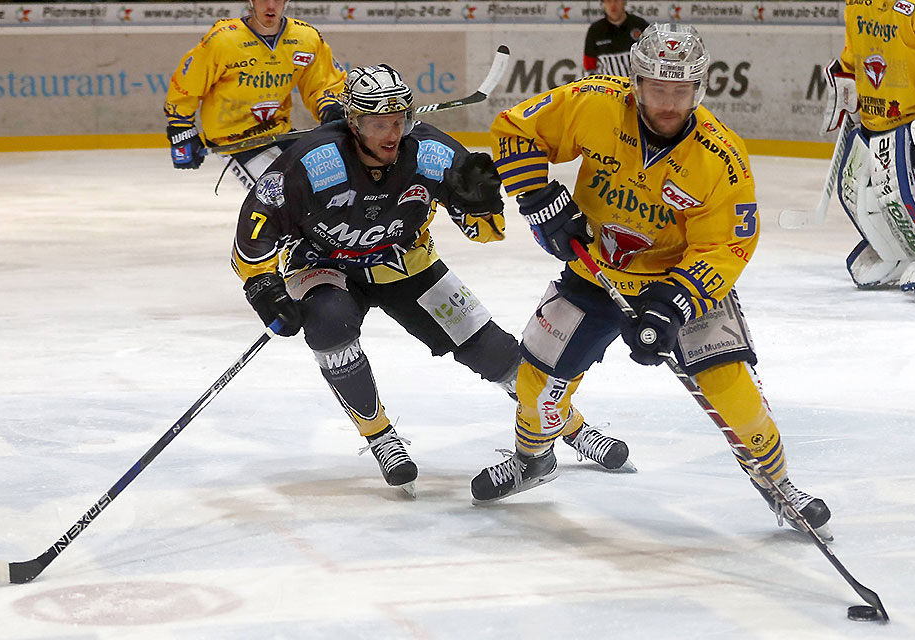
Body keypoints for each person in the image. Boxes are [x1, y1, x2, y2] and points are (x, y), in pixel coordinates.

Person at [472, 23, 832, 540]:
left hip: (677, 284)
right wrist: (538, 200)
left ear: (698, 89)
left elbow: (727, 246)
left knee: (736, 398)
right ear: (636, 82)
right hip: (596, 272)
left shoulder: (720, 159)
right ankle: (533, 460)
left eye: (680, 91)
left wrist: (672, 307)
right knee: (533, 386)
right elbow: (514, 129)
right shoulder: (595, 103)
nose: (668, 103)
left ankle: (778, 485)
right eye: (657, 89)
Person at [231, 64, 631, 496]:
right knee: (329, 325)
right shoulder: (317, 159)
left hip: (406, 264)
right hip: (323, 264)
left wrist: (482, 204)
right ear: (352, 122)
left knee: (496, 354)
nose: (391, 133)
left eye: (398, 120)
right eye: (378, 123)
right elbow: (257, 224)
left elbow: (485, 232)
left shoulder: (431, 152)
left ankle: (570, 427)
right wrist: (262, 286)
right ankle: (380, 435)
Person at [822, 0, 915, 299]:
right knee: (854, 187)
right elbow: (853, 56)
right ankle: (894, 248)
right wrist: (845, 88)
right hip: (873, 118)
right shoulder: (857, 4)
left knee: (898, 185)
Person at [163, 0, 347, 190]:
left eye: (277, 0)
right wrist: (181, 128)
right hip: (234, 141)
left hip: (279, 133)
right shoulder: (223, 39)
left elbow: (325, 83)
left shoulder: (306, 38)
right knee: (281, 197)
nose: (270, 6)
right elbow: (188, 83)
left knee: (332, 183)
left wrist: (330, 108)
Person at [582, 0, 649, 77]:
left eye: (617, 0)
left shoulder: (640, 25)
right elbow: (589, 66)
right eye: (608, 1)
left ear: (624, 1)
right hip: (608, 87)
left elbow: (653, 58)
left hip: (637, 86)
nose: (613, 5)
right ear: (603, 3)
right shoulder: (595, 30)